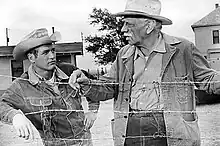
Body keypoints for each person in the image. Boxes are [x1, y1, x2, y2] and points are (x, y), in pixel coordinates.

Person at [68, 0, 220, 146]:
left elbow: (208, 79)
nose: (122, 29)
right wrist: (86, 82)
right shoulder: (123, 54)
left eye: (128, 24)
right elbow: (108, 87)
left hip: (173, 133)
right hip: (131, 130)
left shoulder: (183, 49)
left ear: (149, 26)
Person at [0, 28, 99, 146]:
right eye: (46, 52)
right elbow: (2, 105)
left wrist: (93, 111)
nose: (52, 56)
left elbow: (93, 87)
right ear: (32, 58)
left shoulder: (69, 71)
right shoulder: (22, 85)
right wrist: (15, 116)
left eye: (53, 50)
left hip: (84, 141)